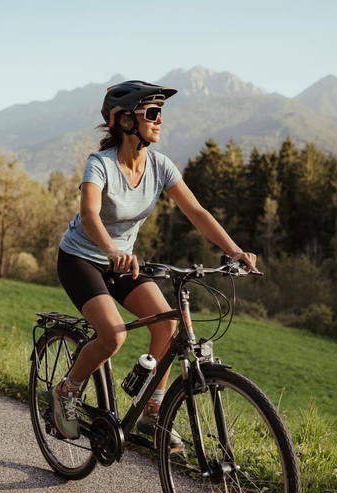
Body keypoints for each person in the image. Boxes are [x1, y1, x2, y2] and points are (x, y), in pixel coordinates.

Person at [48, 80, 258, 450]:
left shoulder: (160, 166)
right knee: (113, 335)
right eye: (152, 113)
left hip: (123, 263)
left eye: (160, 113)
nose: (160, 121)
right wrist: (111, 249)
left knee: (169, 324)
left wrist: (234, 251)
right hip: (82, 258)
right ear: (124, 121)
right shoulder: (100, 164)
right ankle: (66, 391)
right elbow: (90, 214)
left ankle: (152, 411)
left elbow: (196, 212)